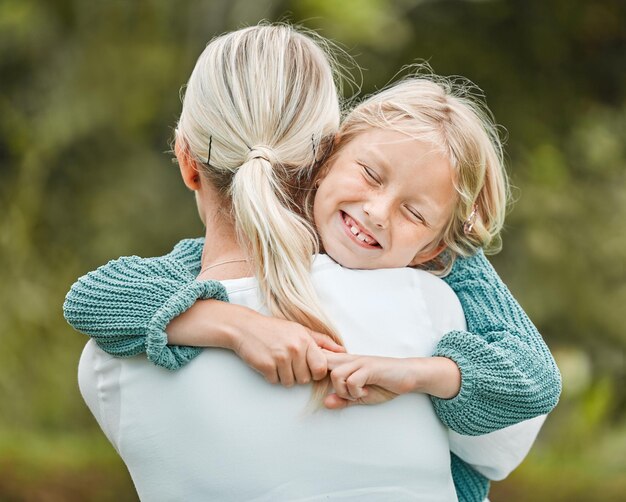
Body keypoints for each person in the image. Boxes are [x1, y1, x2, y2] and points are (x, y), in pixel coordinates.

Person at [65, 24, 559, 501]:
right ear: (324, 159)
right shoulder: (428, 308)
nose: (377, 214)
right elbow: (91, 297)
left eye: (414, 212)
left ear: (187, 158)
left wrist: (419, 367)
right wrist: (237, 326)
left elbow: (533, 379)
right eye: (369, 174)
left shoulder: (106, 364)